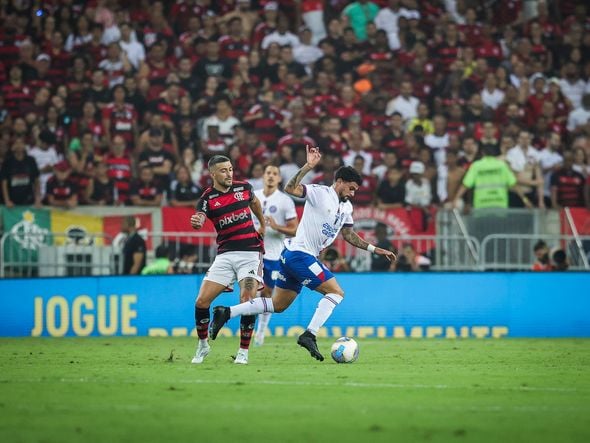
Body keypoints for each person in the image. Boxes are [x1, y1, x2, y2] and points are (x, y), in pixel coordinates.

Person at [209, 146, 396, 361]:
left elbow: (349, 235)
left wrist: (374, 249)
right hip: (300, 254)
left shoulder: (346, 208)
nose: (352, 194)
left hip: (294, 256)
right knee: (336, 293)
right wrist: (308, 166)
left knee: (277, 305)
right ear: (340, 181)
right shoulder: (320, 193)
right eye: (351, 188)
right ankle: (310, 334)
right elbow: (290, 187)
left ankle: (227, 312)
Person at [189, 154, 266, 365]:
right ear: (212, 174)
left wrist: (261, 223)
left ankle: (243, 352)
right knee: (202, 301)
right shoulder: (207, 198)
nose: (229, 173)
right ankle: (203, 345)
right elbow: (200, 217)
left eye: (231, 169)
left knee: (247, 301)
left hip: (250, 253)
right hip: (225, 255)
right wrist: (197, 222)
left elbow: (255, 202)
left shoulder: (244, 188)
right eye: (223, 170)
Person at [252, 164, 298, 346]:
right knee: (250, 291)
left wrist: (276, 226)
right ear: (263, 176)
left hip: (274, 254)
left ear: (279, 179)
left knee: (267, 294)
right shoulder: (253, 196)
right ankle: (248, 331)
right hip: (253, 252)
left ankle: (260, 332)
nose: (271, 176)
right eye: (268, 173)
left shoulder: (285, 201)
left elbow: (295, 229)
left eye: (275, 174)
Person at [453, 143, 533, 210]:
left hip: (481, 205)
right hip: (499, 205)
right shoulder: (502, 166)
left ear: (483, 153)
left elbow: (465, 185)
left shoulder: (476, 166)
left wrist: (455, 200)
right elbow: (514, 184)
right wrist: (525, 200)